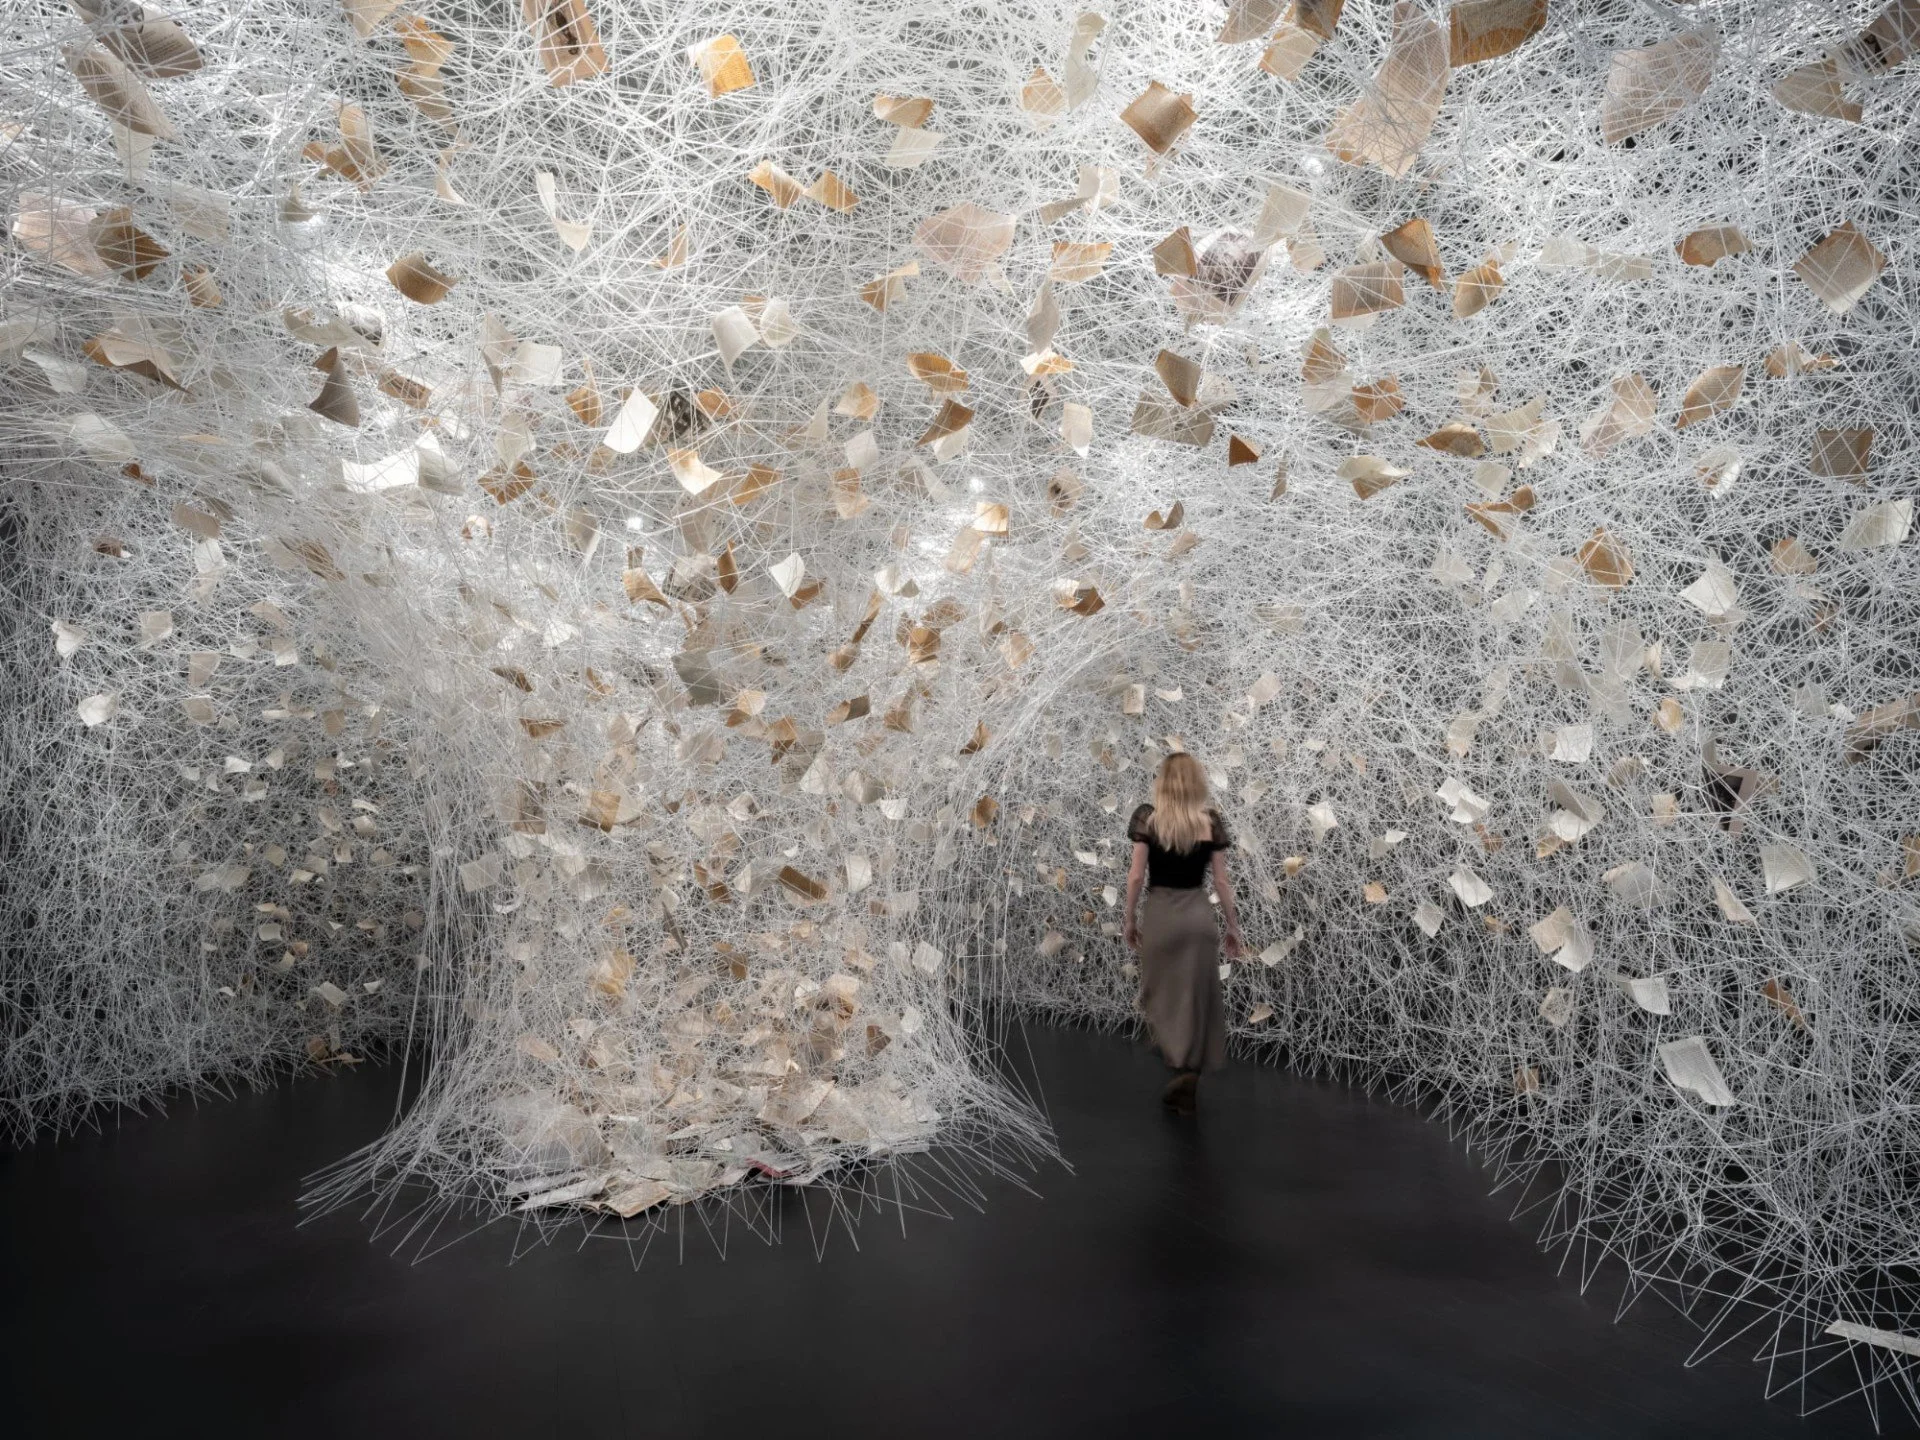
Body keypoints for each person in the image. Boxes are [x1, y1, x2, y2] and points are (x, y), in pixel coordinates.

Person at [1123, 752, 1243, 1112]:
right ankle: (1190, 1073)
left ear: (1163, 783)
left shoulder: (1148, 819)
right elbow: (1221, 882)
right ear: (1196, 783)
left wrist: (1129, 920)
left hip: (1162, 914)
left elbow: (1135, 877)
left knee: (1160, 992)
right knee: (1195, 996)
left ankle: (1179, 1065)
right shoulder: (1210, 822)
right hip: (1197, 916)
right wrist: (1232, 926)